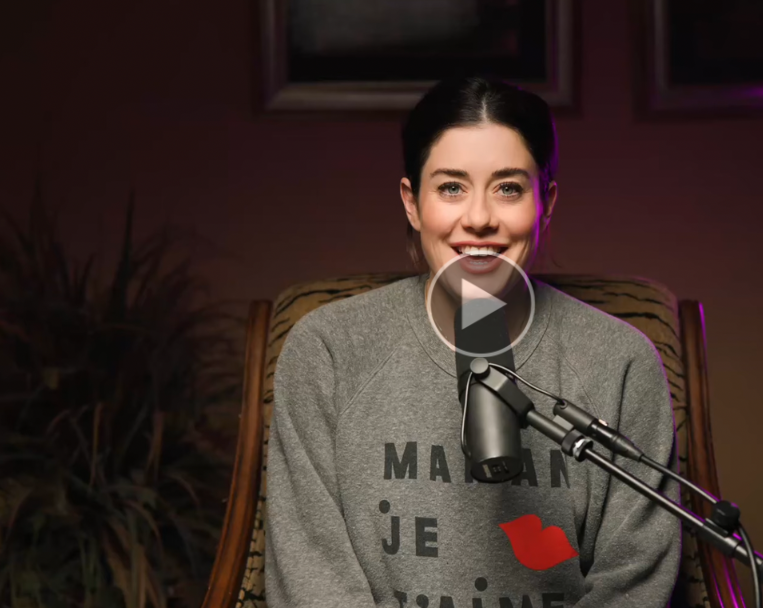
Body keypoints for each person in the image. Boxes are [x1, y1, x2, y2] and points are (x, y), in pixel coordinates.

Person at [265, 76, 681, 608]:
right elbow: (313, 577)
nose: (480, 218)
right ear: (412, 203)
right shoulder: (328, 350)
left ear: (546, 202)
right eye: (451, 188)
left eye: (508, 188)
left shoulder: (621, 361)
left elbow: (635, 578)